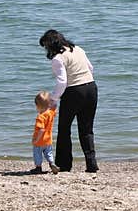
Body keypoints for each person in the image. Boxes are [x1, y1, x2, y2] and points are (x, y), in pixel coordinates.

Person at [39, 29, 99, 173]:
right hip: (91, 87)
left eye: (46, 47)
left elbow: (62, 82)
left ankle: (65, 165)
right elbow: (91, 68)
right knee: (86, 130)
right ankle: (91, 165)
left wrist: (52, 99)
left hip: (73, 92)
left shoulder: (58, 58)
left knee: (64, 129)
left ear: (50, 45)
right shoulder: (78, 49)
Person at [30, 91, 59, 174]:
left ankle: (38, 168)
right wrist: (53, 100)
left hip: (40, 141)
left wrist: (36, 140)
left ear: (38, 106)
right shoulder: (50, 113)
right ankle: (52, 163)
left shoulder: (40, 117)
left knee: (37, 154)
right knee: (48, 153)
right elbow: (54, 106)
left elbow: (41, 130)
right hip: (48, 140)